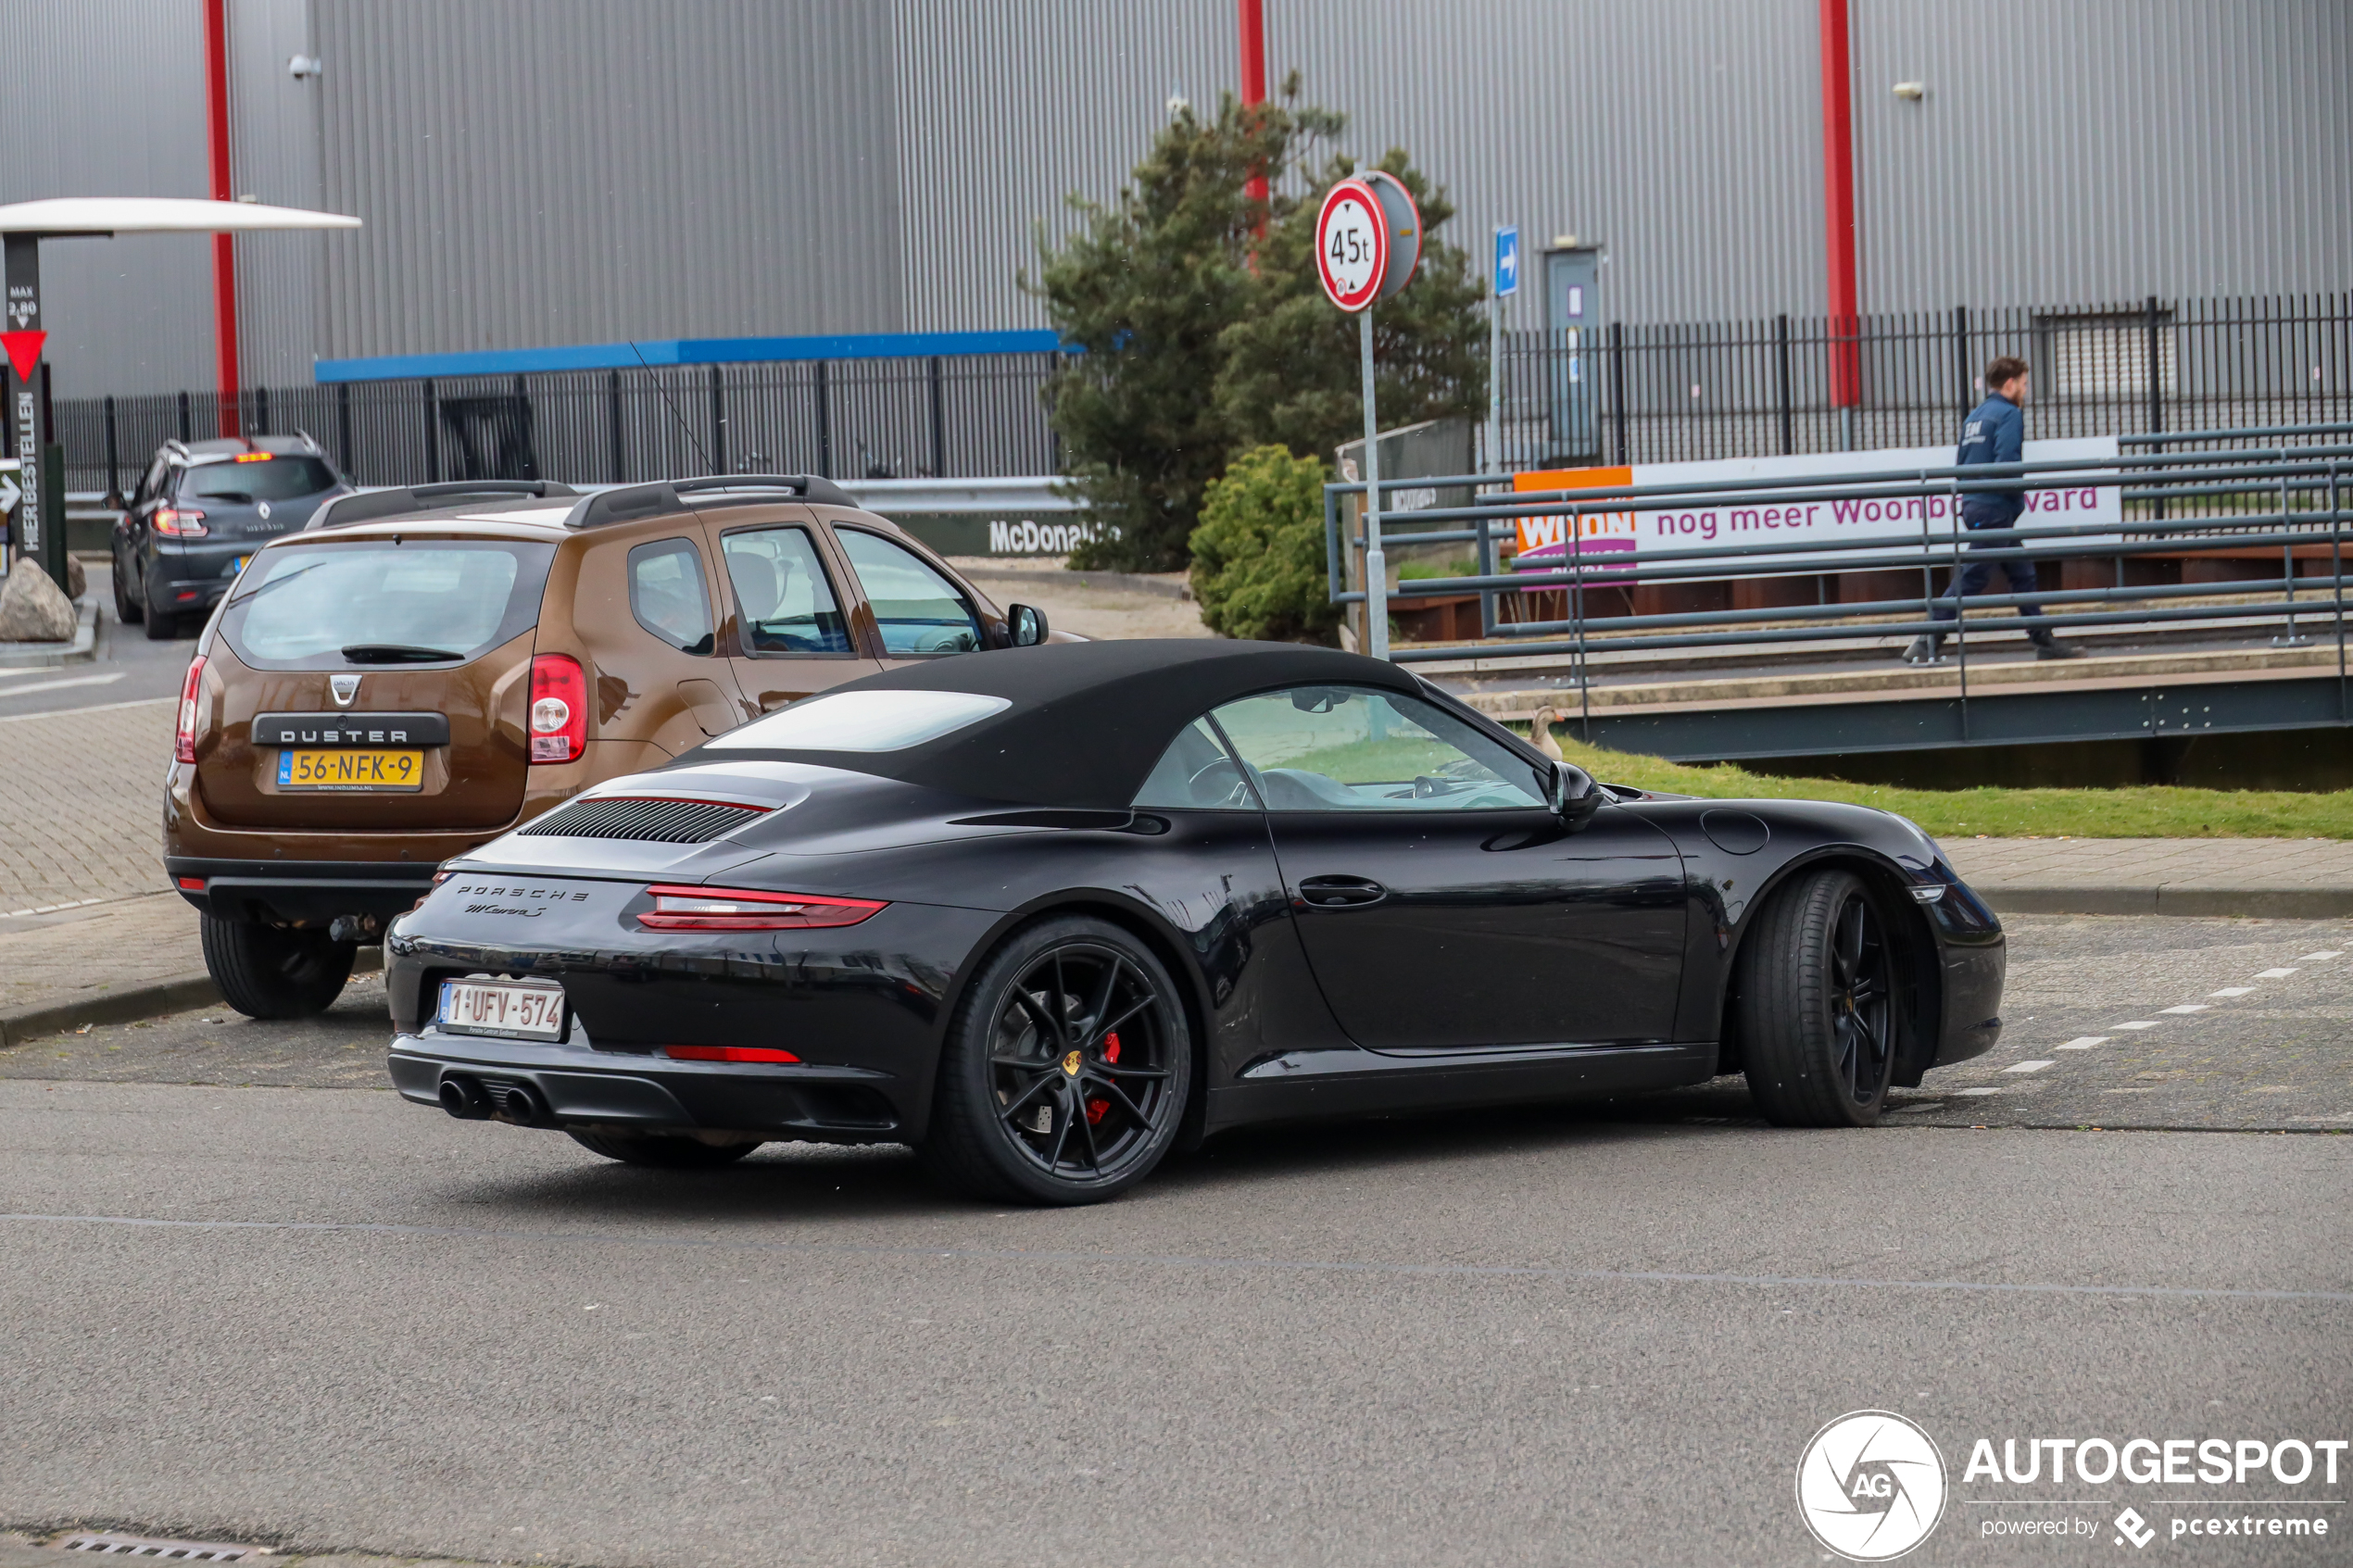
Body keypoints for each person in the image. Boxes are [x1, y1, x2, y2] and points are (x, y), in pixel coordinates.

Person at [1903, 357, 2082, 664]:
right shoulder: (2009, 414)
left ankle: (2043, 639)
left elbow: (1961, 465)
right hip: (1995, 507)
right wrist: (2014, 499)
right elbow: (2008, 463)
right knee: (1973, 574)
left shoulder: (1975, 416)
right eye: (2024, 385)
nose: (2026, 391)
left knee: (2022, 571)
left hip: (1974, 504)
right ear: (2010, 384)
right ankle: (1927, 639)